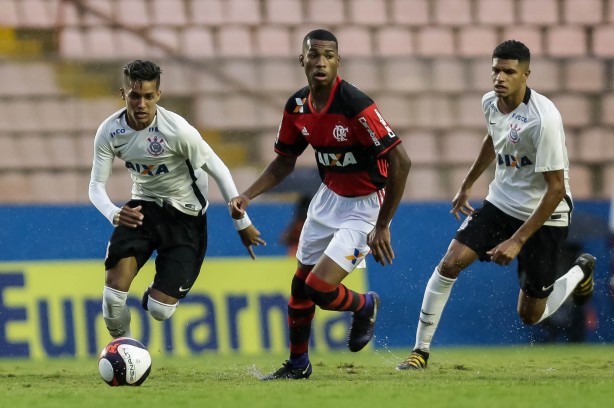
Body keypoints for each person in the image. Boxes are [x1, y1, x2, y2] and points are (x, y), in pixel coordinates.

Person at [396, 40, 595, 370]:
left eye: (508, 72)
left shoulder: (543, 120)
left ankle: (580, 271)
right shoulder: (490, 102)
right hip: (501, 202)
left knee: (529, 315)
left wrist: (517, 240)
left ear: (525, 75)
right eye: (495, 70)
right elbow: (494, 138)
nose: (499, 77)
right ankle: (420, 351)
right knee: (450, 263)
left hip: (545, 213)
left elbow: (557, 189)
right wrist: (467, 183)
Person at [230, 29, 411, 380]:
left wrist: (383, 224)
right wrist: (247, 195)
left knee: (319, 288)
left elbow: (401, 162)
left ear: (338, 61)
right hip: (327, 199)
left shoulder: (355, 104)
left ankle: (365, 304)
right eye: (314, 54)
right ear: (303, 60)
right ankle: (298, 365)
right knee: (300, 287)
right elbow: (284, 161)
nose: (321, 62)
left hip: (365, 205)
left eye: (329, 55)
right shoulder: (297, 106)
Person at [88, 59, 265, 340]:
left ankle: (157, 295)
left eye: (148, 96)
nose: (141, 104)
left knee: (160, 310)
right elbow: (96, 185)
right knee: (112, 297)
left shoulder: (178, 131)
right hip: (142, 208)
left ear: (159, 95)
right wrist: (114, 213)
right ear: (123, 95)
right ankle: (126, 352)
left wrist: (242, 223)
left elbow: (219, 169)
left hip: (186, 216)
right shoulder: (110, 132)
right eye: (134, 96)